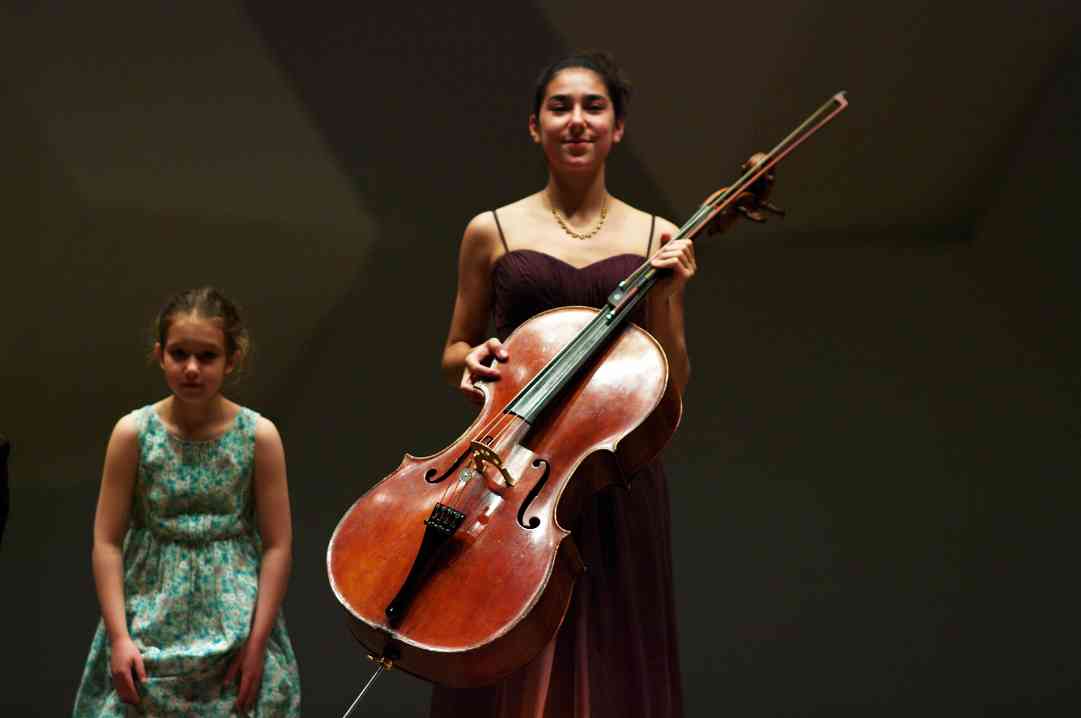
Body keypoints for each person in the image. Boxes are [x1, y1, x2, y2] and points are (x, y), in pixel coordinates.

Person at [434, 50, 768, 718]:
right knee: (499, 648)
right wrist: (470, 363)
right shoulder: (489, 230)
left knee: (614, 662)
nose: (576, 120)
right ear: (535, 126)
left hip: (611, 475)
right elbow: (453, 350)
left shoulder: (657, 235)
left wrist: (670, 295)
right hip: (506, 475)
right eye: (560, 107)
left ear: (617, 128)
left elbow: (669, 385)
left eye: (594, 107)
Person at [73, 287, 301, 717]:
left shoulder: (259, 436)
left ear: (231, 359)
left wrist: (257, 643)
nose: (192, 368)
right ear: (160, 355)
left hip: (235, 617)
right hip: (148, 613)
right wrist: (120, 637)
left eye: (207, 356)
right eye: (179, 354)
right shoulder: (133, 434)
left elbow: (278, 545)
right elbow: (106, 541)